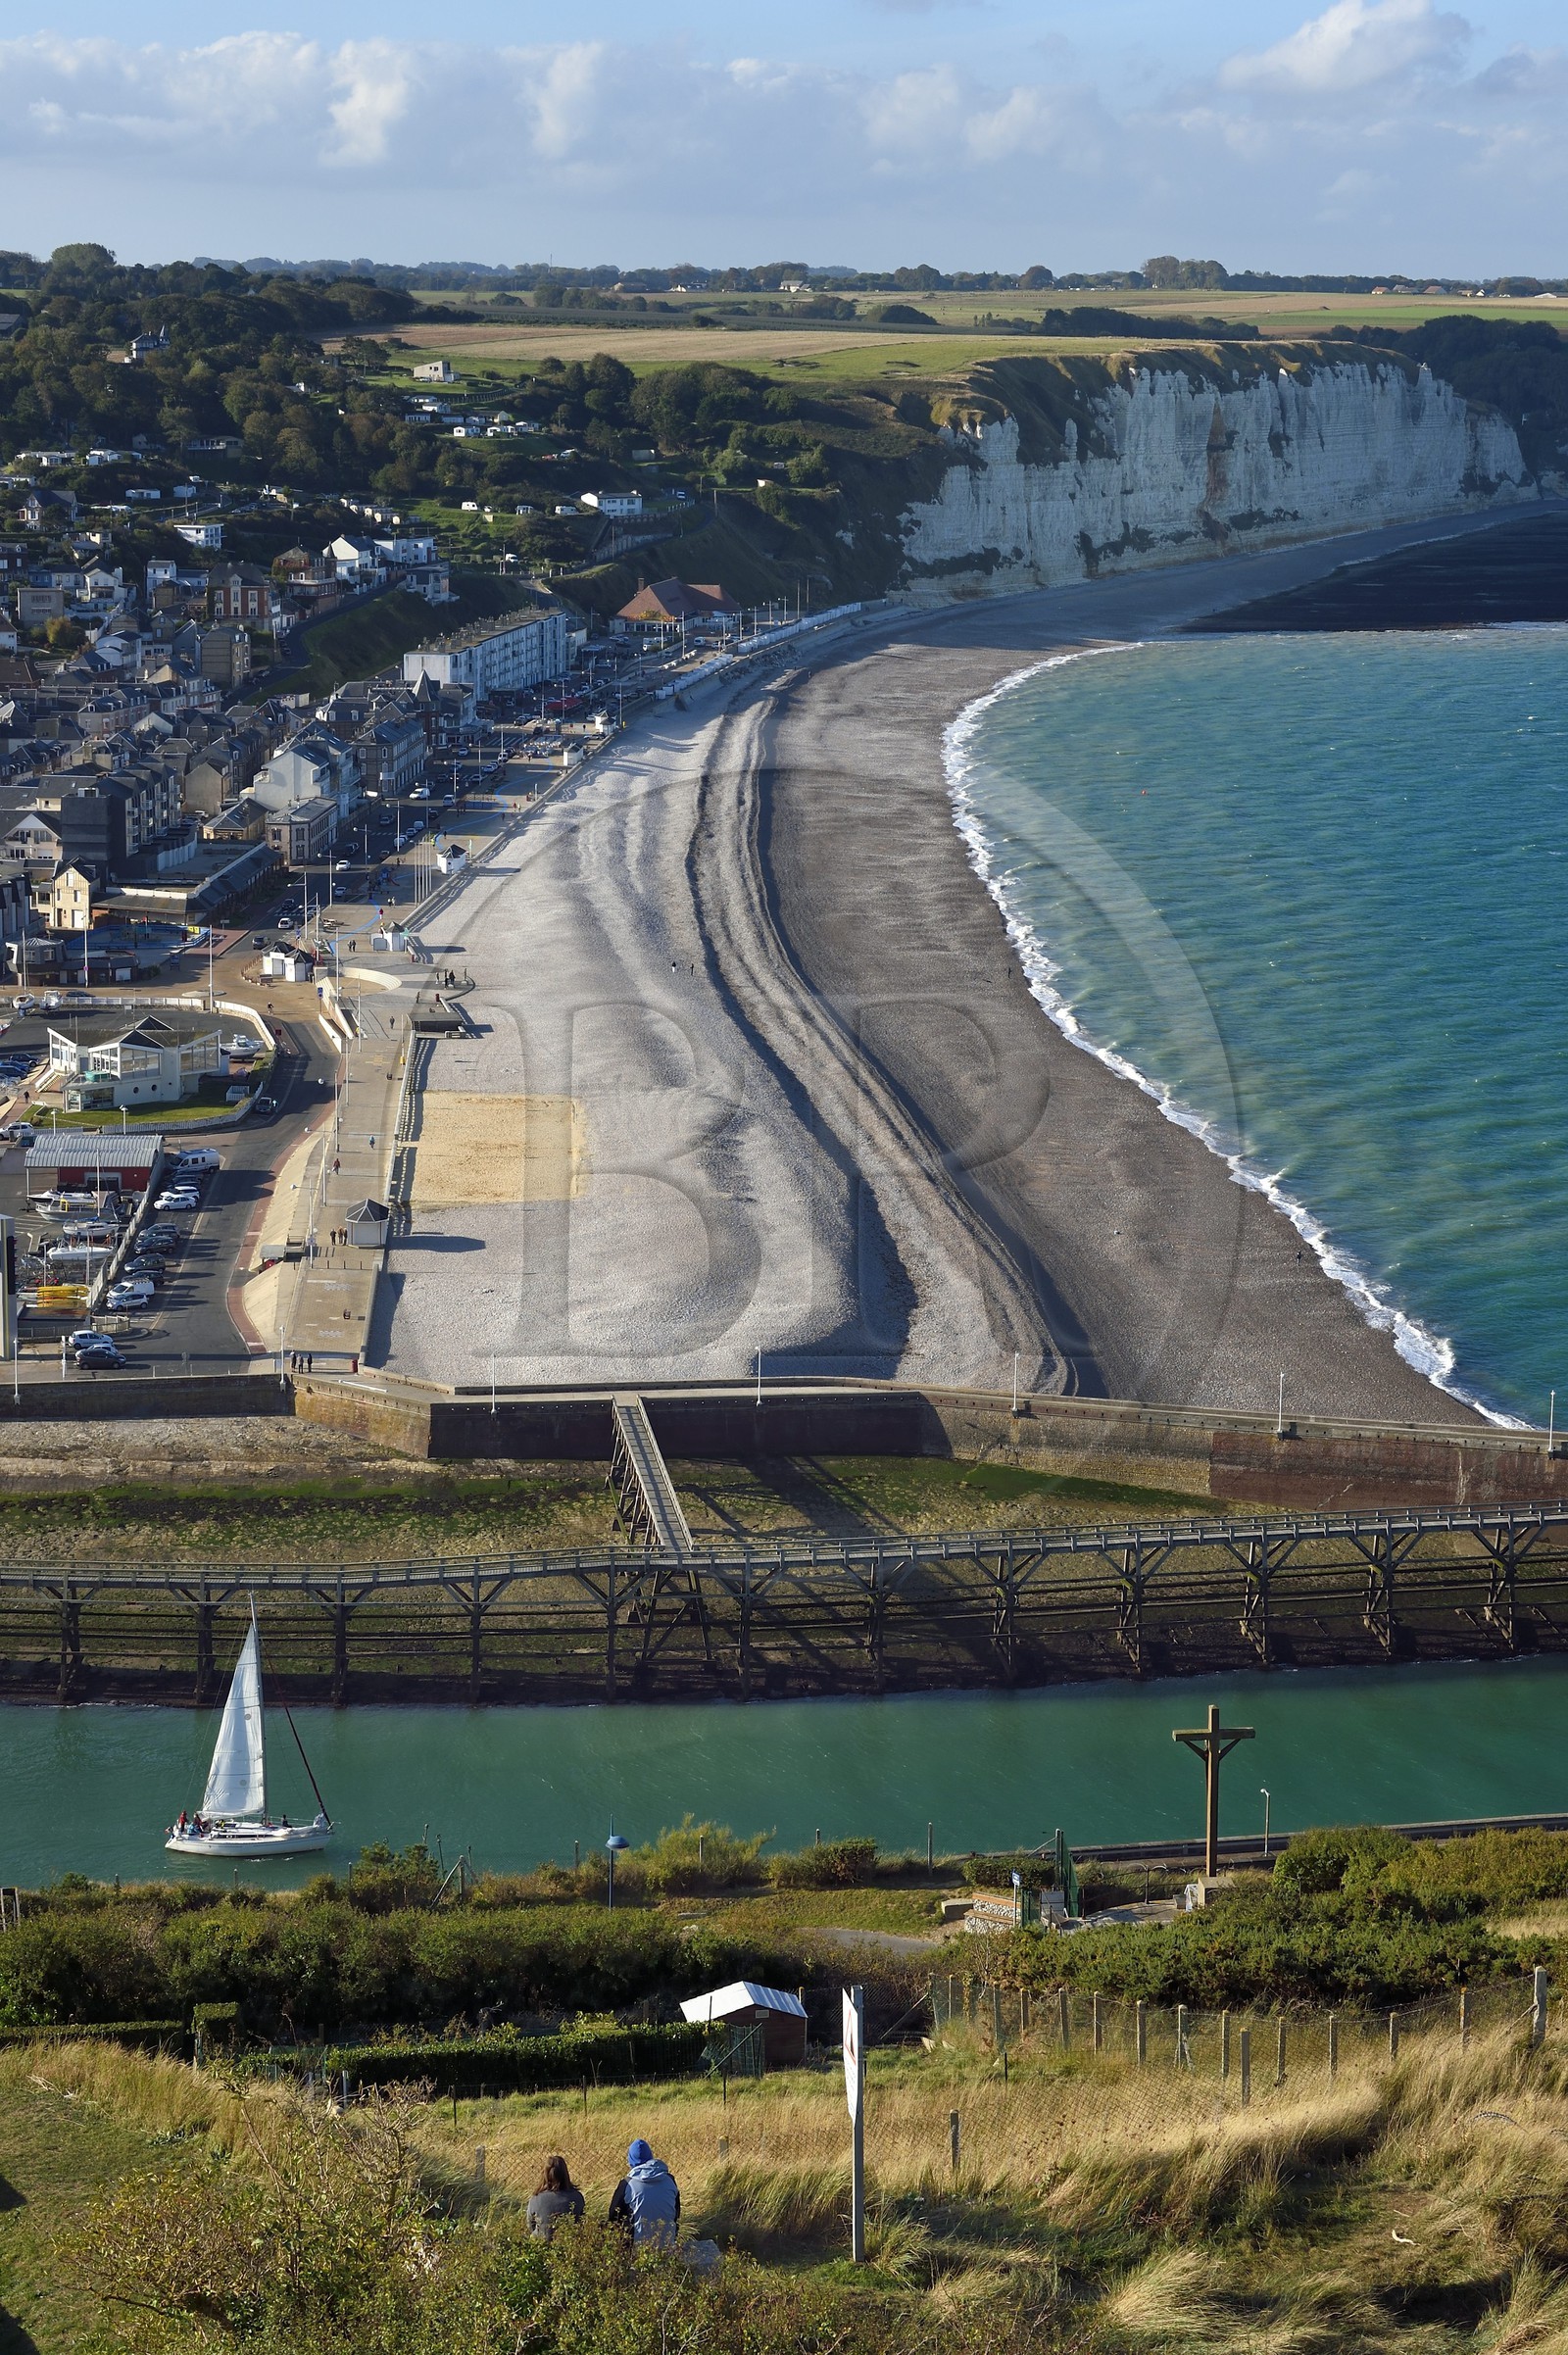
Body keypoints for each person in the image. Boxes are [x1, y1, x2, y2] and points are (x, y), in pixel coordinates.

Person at [609, 2138, 680, 2249]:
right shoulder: (669, 2180)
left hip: (636, 2249)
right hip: (668, 2244)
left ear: (630, 2159)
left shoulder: (627, 2184)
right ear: (650, 2156)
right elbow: (676, 2213)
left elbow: (613, 2217)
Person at [527, 2154, 585, 2241]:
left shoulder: (536, 2199)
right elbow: (581, 2223)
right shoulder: (577, 2197)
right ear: (565, 2174)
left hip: (542, 2244)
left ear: (545, 2174)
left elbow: (530, 2225)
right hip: (570, 2244)